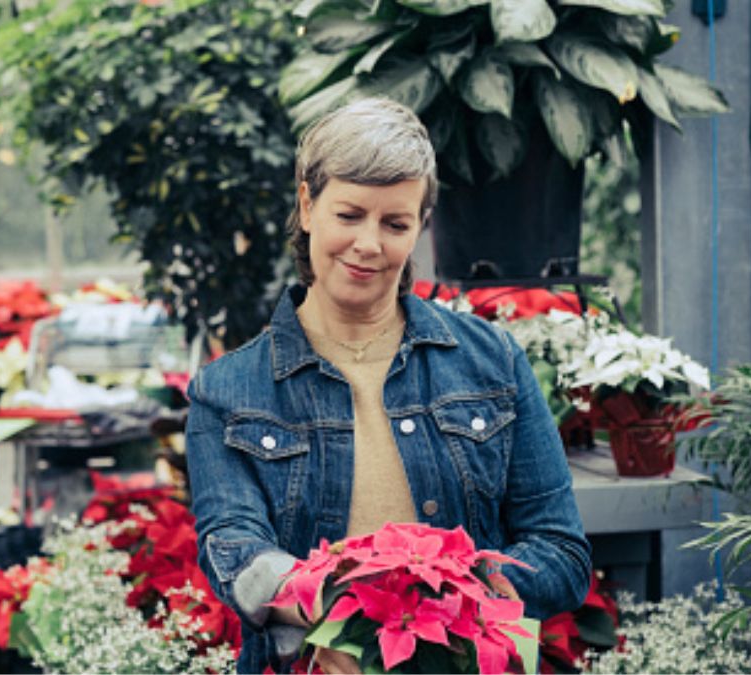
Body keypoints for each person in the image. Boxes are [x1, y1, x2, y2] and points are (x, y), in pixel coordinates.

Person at [186, 97, 591, 674]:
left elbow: (561, 553)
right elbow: (236, 555)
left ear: (420, 229)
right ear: (307, 206)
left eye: (395, 223)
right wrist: (345, 614)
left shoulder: (491, 362)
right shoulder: (227, 393)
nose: (369, 244)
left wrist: (449, 605)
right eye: (349, 215)